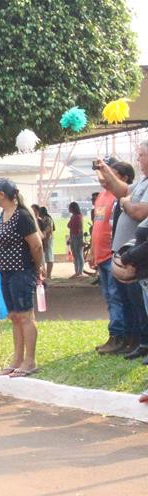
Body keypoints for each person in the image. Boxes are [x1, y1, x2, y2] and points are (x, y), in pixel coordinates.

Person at [96, 143, 148, 360]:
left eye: (142, 155)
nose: (138, 160)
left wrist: (126, 203)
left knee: (141, 301)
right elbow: (121, 190)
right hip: (130, 254)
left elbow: (139, 211)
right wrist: (105, 171)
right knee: (135, 302)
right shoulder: (143, 183)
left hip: (138, 254)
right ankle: (139, 340)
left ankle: (142, 341)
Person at [0, 178, 45, 377]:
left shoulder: (21, 216)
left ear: (2, 195)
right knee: (14, 316)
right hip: (6, 272)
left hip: (22, 271)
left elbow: (36, 244)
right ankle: (18, 358)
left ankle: (29, 360)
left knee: (25, 316)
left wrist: (38, 268)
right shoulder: (4, 214)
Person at [91, 161, 133, 354]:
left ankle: (119, 336)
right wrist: (93, 253)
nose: (104, 177)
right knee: (109, 298)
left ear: (123, 178)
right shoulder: (101, 196)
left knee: (116, 298)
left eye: (109, 173)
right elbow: (98, 227)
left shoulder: (120, 197)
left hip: (111, 256)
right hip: (100, 257)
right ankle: (115, 335)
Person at [35, 205, 55, 282]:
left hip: (48, 239)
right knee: (45, 257)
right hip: (45, 239)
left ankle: (49, 274)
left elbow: (48, 230)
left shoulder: (47, 219)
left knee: (49, 256)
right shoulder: (43, 219)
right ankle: (47, 273)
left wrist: (45, 241)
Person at [67, 201, 85, 278]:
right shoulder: (73, 217)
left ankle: (80, 272)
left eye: (70, 207)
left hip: (77, 236)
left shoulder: (78, 216)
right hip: (73, 237)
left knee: (79, 254)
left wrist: (81, 239)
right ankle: (77, 271)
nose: (68, 209)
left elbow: (81, 228)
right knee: (75, 254)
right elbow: (70, 228)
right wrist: (70, 238)